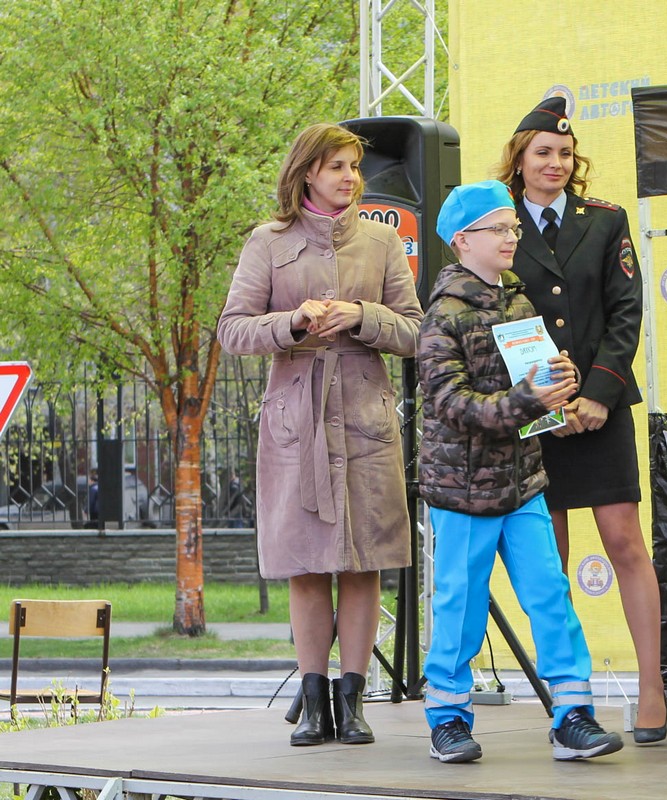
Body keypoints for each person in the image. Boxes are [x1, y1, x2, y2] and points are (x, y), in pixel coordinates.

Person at [217, 122, 423, 747]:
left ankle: (352, 702)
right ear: (308, 171)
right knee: (305, 564)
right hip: (296, 421)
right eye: (338, 166)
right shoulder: (268, 241)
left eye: (355, 167)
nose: (350, 178)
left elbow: (417, 331)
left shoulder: (381, 241)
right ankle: (313, 703)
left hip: (365, 419)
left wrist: (362, 316)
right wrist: (293, 322)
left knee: (363, 562)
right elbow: (233, 330)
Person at [418, 179, 623, 764]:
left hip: (523, 483)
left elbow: (531, 391)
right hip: (462, 492)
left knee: (550, 595)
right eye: (499, 229)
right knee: (460, 607)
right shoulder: (442, 316)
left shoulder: (519, 302)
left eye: (513, 226)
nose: (513, 237)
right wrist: (529, 400)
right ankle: (448, 719)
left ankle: (572, 716)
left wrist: (558, 391)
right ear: (463, 240)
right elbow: (452, 406)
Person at [497, 97, 667, 744]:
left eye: (565, 153)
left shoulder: (605, 219)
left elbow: (627, 311)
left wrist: (597, 393)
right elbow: (495, 320)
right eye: (543, 152)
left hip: (602, 408)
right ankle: (572, 701)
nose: (556, 163)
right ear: (519, 158)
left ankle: (652, 687)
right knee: (551, 559)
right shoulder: (498, 224)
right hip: (536, 412)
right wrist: (546, 401)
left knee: (625, 543)